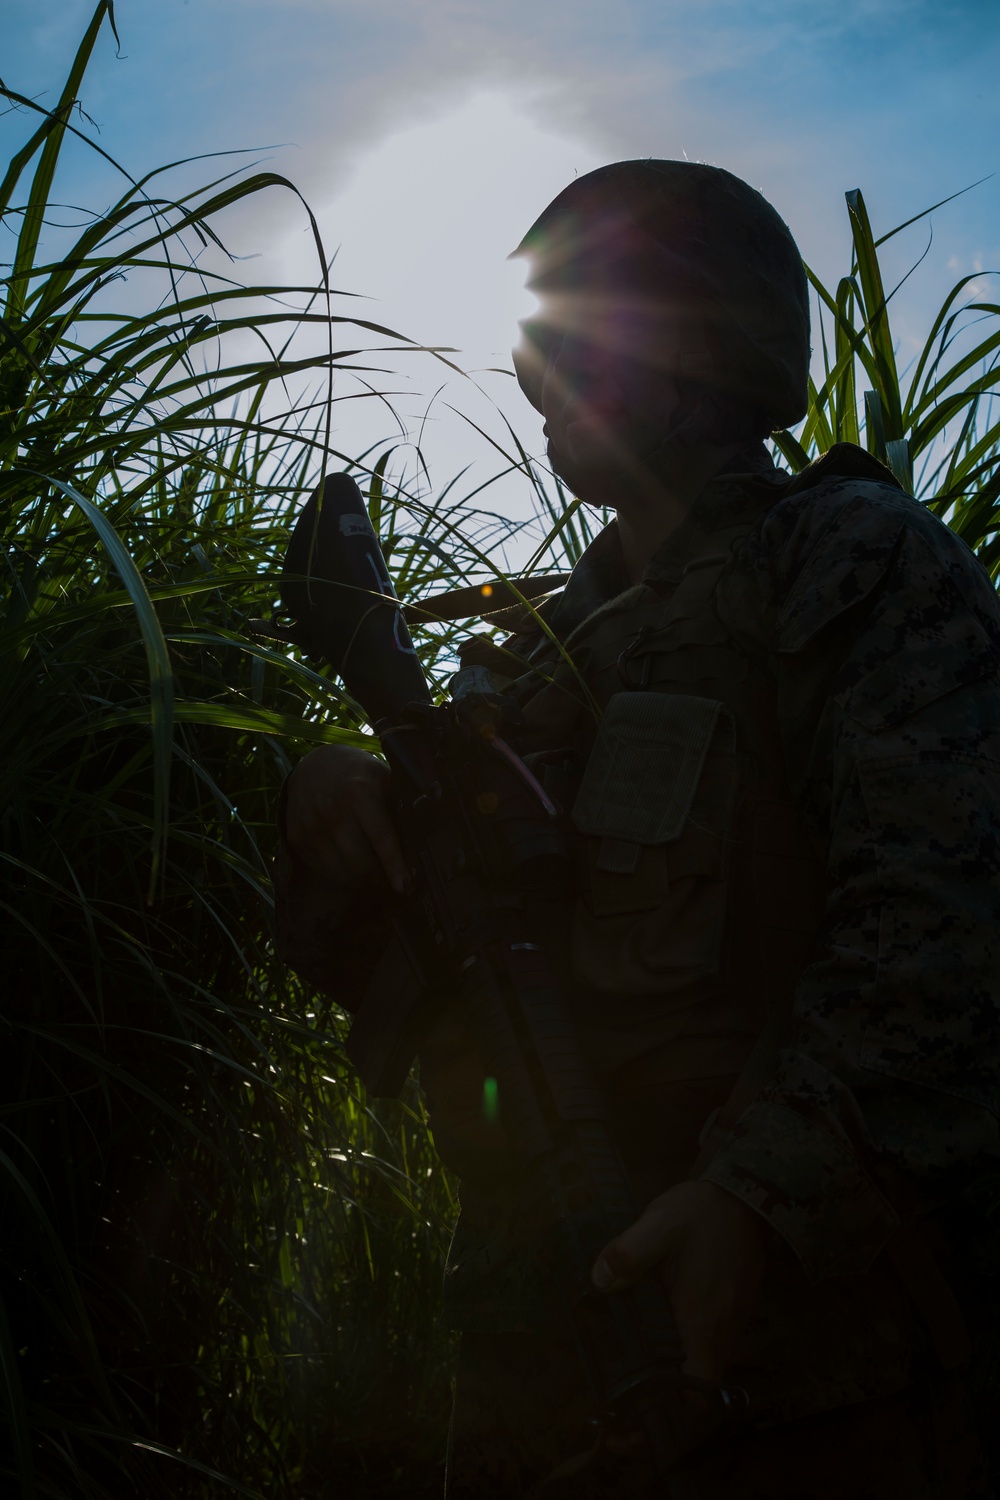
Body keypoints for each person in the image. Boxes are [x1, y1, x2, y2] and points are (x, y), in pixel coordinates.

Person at [275, 160, 1000, 1497]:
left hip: (810, 1366)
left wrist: (757, 1195)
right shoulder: (537, 656)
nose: (539, 369)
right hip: (537, 1360)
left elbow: (942, 930)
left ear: (703, 344)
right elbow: (409, 974)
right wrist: (342, 797)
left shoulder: (850, 562)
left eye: (582, 330)